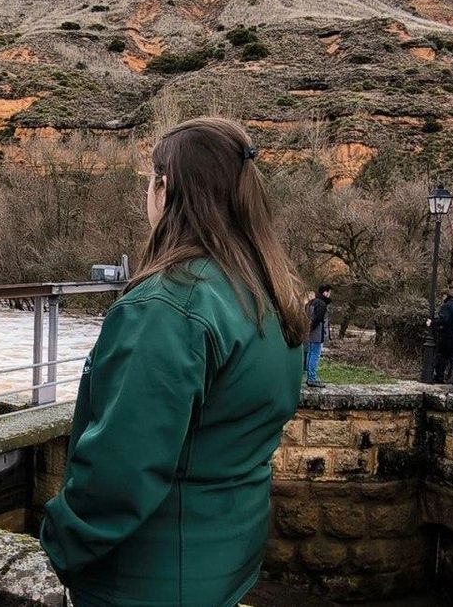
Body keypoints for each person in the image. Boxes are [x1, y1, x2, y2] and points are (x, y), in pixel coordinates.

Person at [39, 117, 308, 607]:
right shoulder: (268, 292)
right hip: (225, 562)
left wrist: (60, 543)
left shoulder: (168, 306)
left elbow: (121, 466)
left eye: (150, 180)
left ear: (165, 188)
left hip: (147, 578)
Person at [304, 285, 333, 388]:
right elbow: (318, 319)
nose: (330, 294)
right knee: (315, 355)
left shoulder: (311, 302)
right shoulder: (321, 304)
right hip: (316, 334)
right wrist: (312, 329)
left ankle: (308, 376)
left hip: (309, 333)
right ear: (325, 292)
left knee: (309, 353)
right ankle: (312, 378)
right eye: (329, 292)